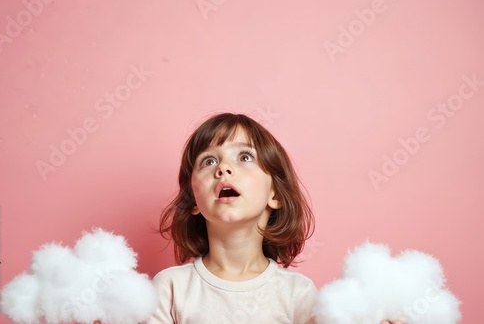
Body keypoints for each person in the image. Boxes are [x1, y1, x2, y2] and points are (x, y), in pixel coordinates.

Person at [148, 113, 404, 324]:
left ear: (275, 195)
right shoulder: (170, 288)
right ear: (193, 200)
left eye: (245, 157)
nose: (223, 168)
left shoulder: (298, 294)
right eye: (209, 161)